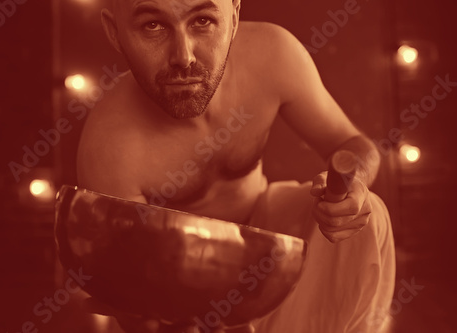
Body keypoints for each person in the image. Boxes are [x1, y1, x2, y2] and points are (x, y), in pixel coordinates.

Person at [77, 0, 396, 332]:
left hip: (267, 238)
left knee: (367, 216)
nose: (183, 57)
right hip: (174, 285)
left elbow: (352, 145)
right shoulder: (109, 145)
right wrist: (149, 313)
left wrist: (351, 187)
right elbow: (136, 296)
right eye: (153, 26)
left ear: (234, 15)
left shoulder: (274, 53)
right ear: (115, 33)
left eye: (202, 21)